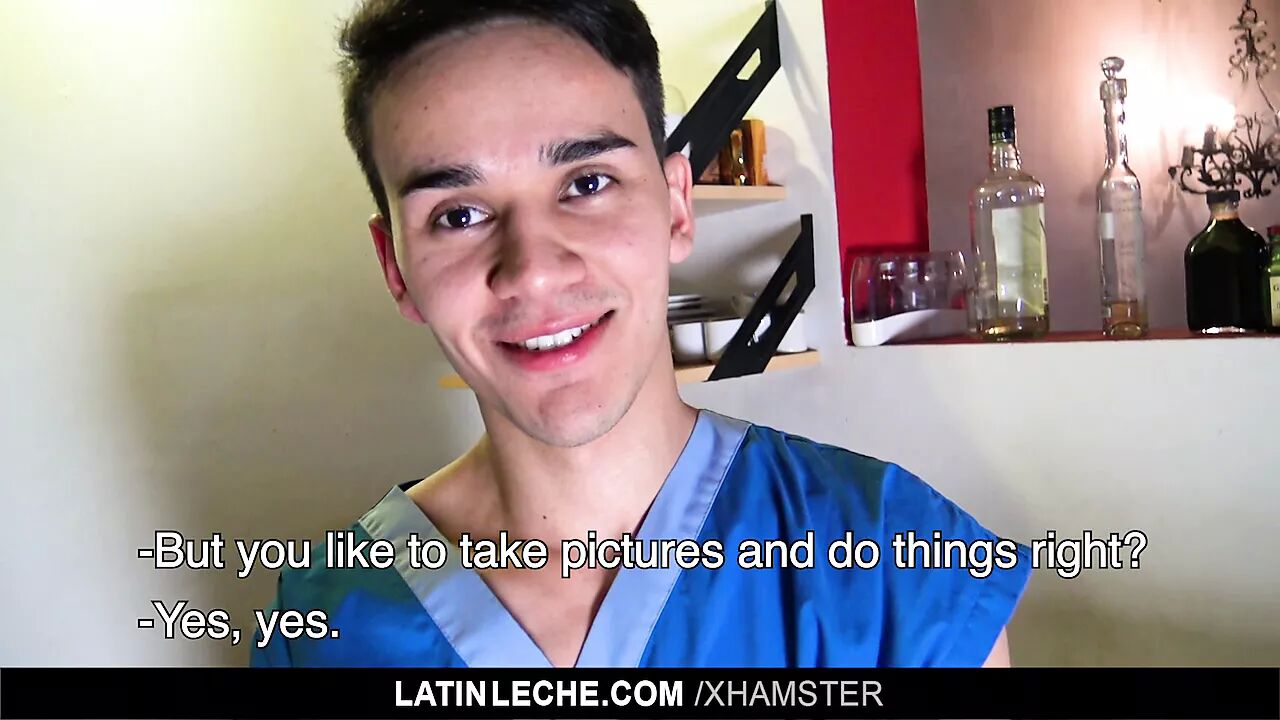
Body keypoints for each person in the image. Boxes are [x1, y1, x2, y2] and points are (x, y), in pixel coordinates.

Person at [250, 0, 1031, 668]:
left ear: (676, 206)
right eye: (458, 215)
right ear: (396, 267)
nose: (534, 272)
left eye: (587, 183)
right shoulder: (324, 627)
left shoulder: (897, 570)